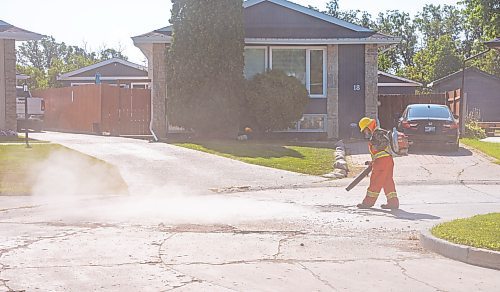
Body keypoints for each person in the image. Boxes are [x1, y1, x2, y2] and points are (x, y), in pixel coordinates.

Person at [357, 117, 399, 209]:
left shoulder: (377, 133)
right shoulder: (380, 132)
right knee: (387, 181)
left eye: (365, 129)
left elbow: (383, 144)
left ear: (369, 126)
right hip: (387, 161)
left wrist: (376, 148)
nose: (365, 132)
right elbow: (381, 152)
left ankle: (368, 203)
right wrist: (372, 162)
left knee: (375, 181)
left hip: (382, 163)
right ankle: (393, 203)